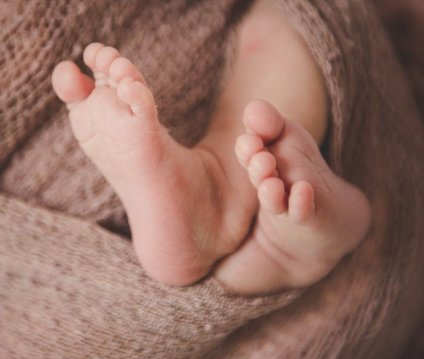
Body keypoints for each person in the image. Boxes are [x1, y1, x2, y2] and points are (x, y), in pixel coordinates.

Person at [51, 0, 370, 295]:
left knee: (296, 23)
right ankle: (235, 189)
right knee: (290, 23)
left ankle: (233, 198)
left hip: (65, 275)